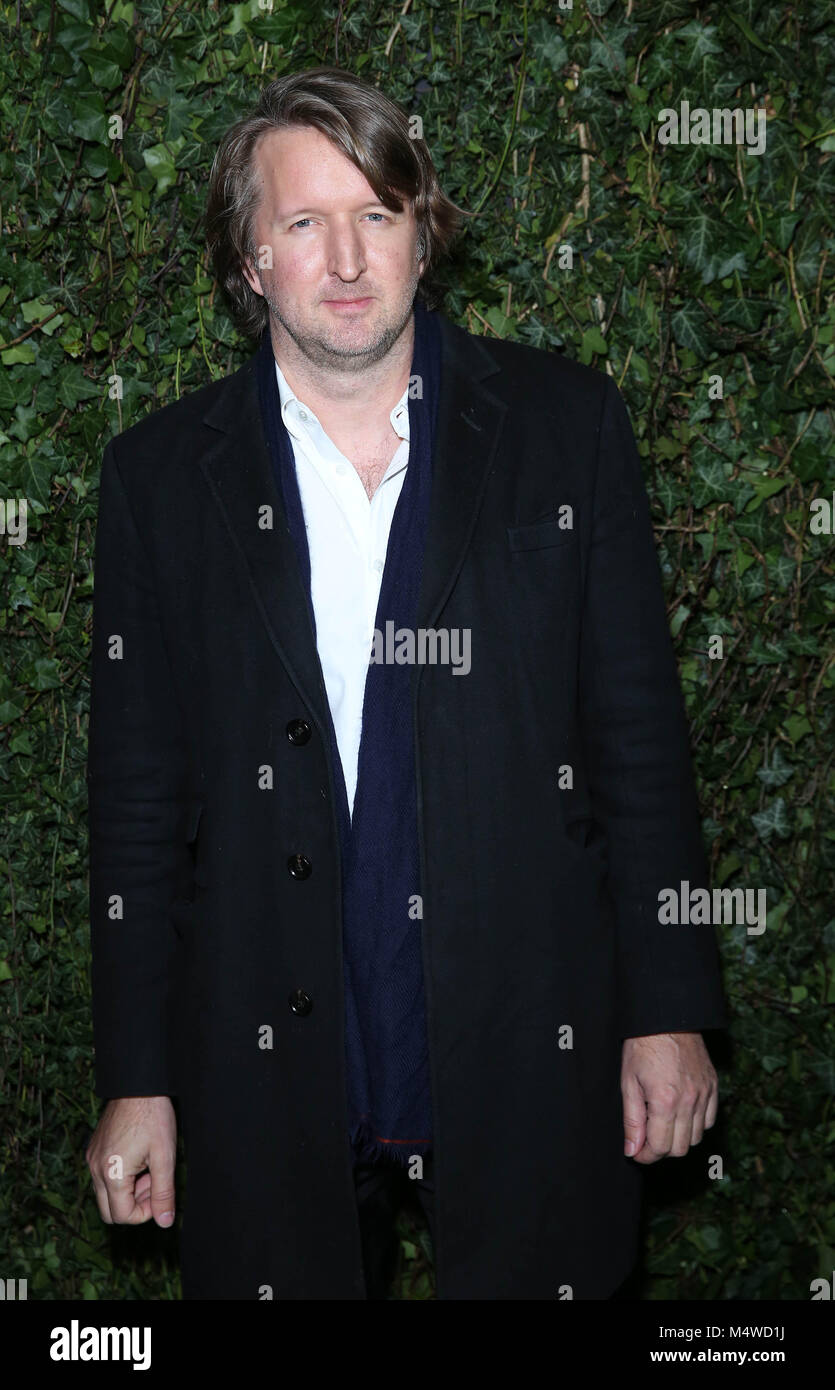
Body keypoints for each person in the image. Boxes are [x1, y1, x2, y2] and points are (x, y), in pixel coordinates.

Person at [85, 66, 728, 1301]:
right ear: (248, 259)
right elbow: (135, 807)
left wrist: (667, 1006)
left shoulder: (563, 427)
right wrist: (139, 1074)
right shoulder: (161, 480)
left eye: (377, 214)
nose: (344, 258)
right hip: (263, 1045)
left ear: (422, 236)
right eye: (302, 222)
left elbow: (639, 739)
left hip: (527, 1021)